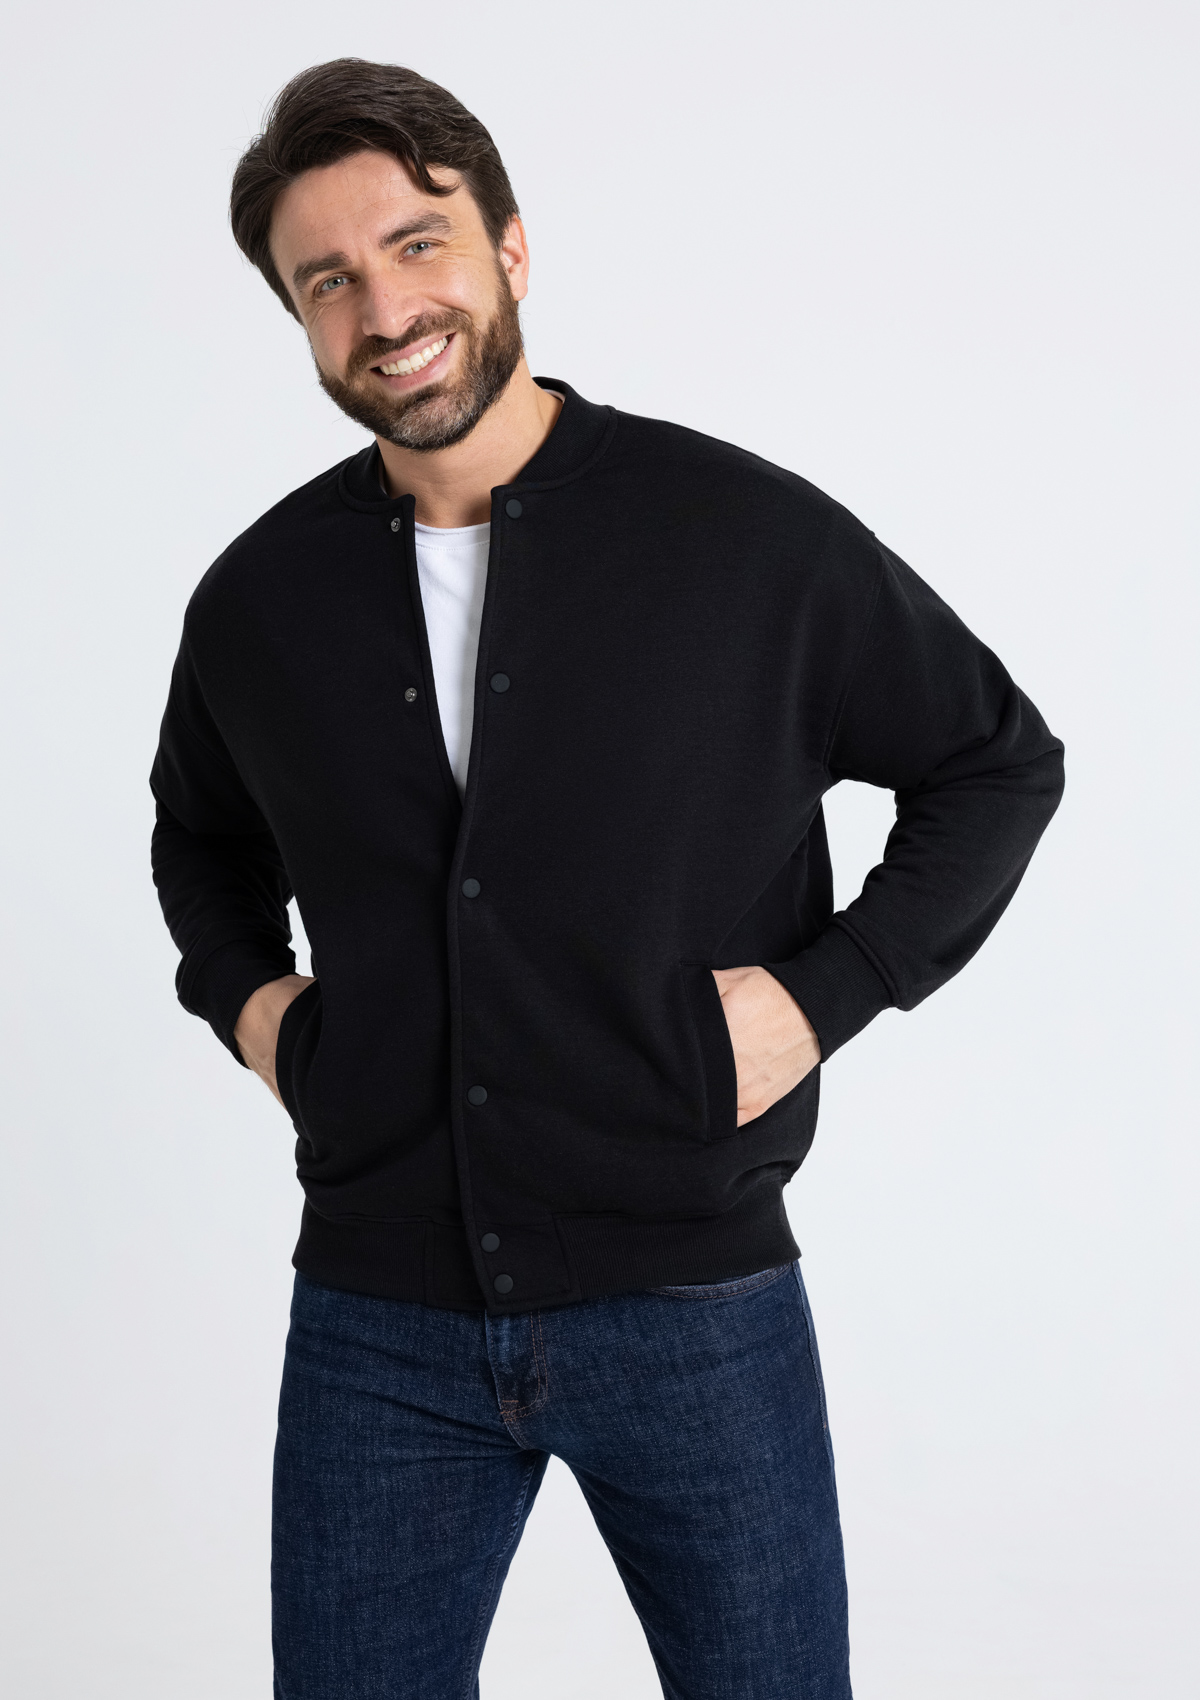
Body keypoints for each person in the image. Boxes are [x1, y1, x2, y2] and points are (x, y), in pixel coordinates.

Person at [150, 57, 1064, 1700]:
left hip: (696, 1302)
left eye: (417, 245)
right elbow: (199, 841)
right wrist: (257, 1011)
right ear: (297, 318)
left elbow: (996, 760)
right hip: (376, 1321)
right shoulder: (260, 601)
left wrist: (823, 998)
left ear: (509, 248)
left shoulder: (742, 539)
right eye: (328, 280)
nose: (385, 309)